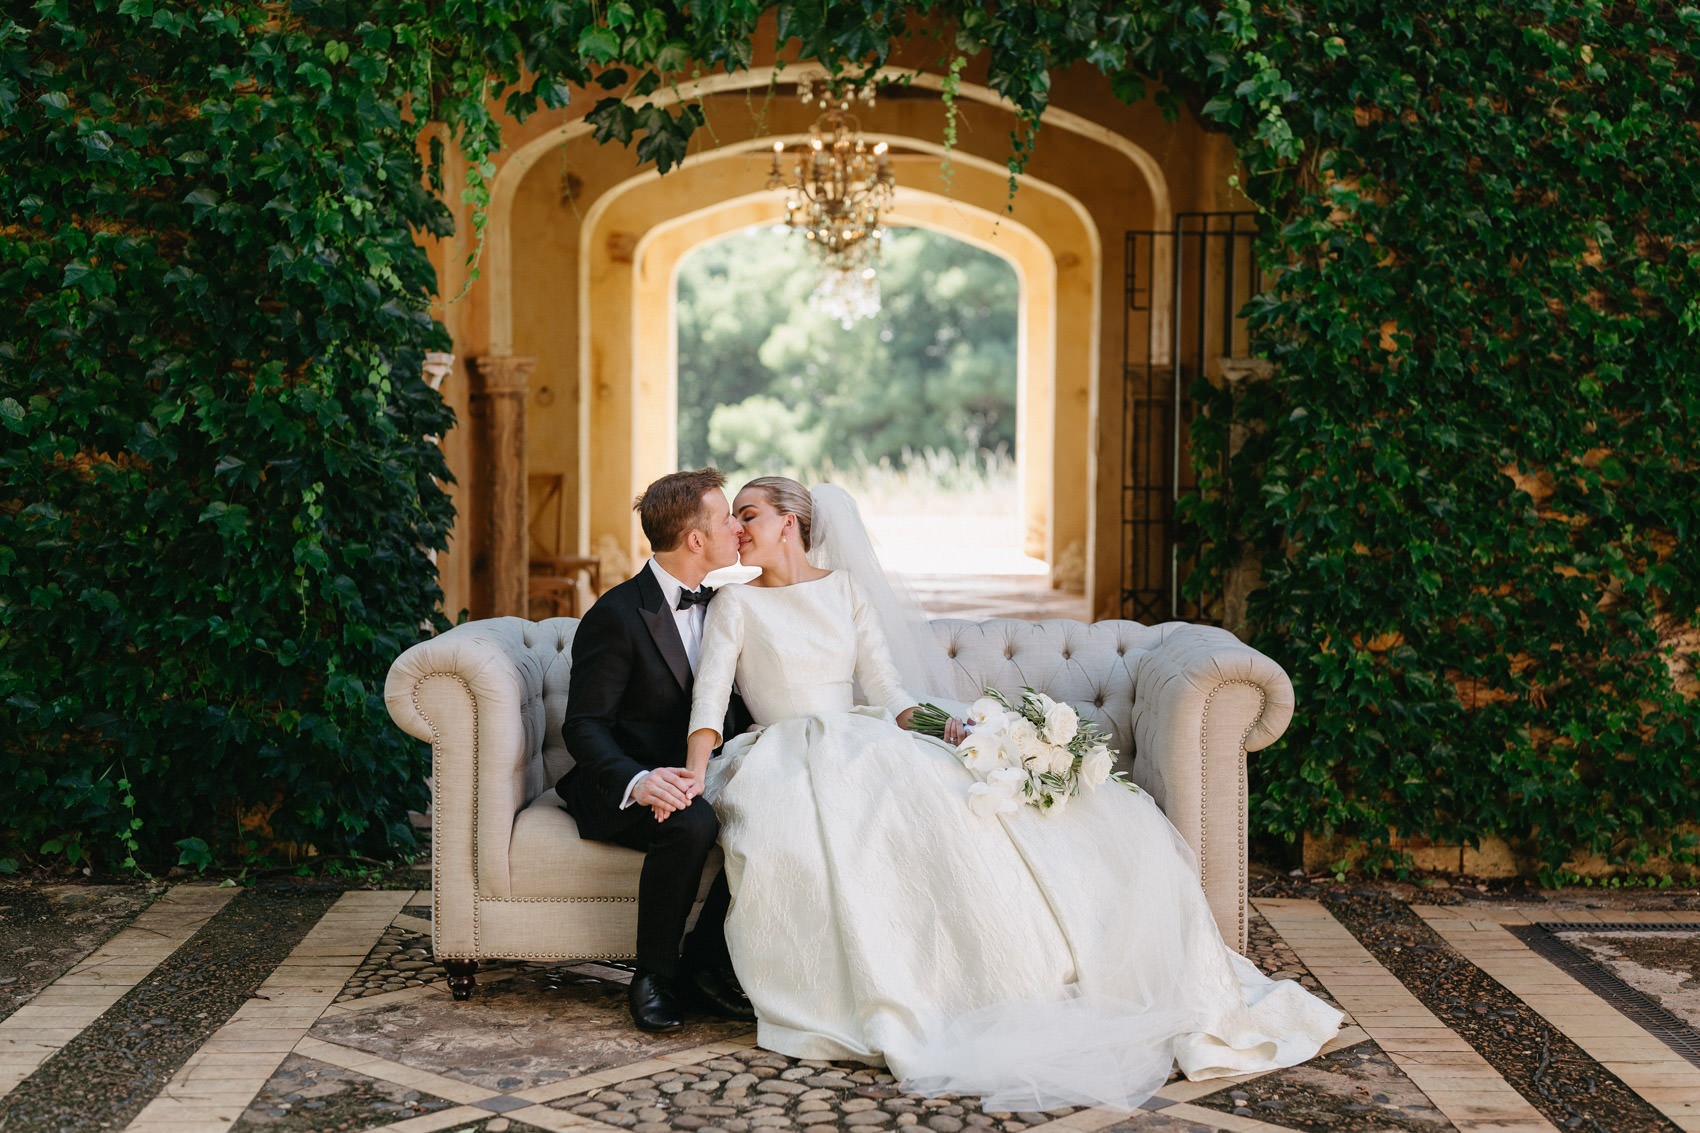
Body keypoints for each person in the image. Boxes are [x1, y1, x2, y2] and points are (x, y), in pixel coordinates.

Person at [678, 476, 1343, 1112]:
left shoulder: (846, 589)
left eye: (748, 513)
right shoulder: (736, 601)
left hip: (863, 733)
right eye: (735, 516)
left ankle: (1008, 981)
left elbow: (890, 695)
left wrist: (953, 725)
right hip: (783, 750)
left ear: (788, 523)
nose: (735, 528)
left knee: (955, 813)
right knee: (832, 825)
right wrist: (692, 770)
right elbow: (710, 696)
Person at [557, 468, 754, 1033]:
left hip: (704, 776)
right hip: (623, 783)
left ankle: (706, 966)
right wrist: (641, 781)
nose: (737, 527)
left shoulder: (728, 604)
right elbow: (584, 726)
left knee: (779, 810)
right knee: (693, 824)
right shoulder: (617, 615)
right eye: (726, 519)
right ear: (696, 540)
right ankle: (654, 977)